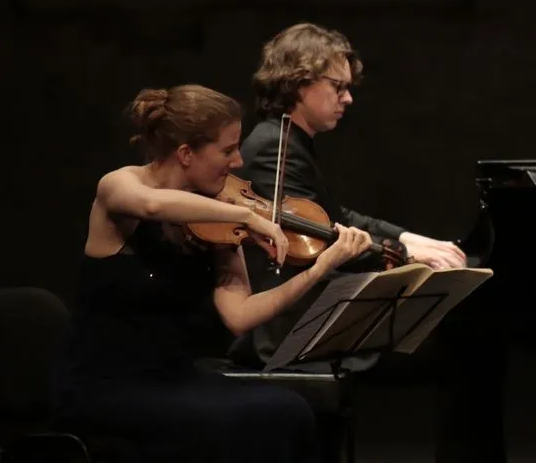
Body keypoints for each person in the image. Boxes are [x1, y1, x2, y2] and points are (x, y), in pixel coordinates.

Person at [226, 22, 508, 463]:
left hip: (311, 308)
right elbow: (321, 239)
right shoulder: (273, 148)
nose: (348, 99)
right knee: (467, 341)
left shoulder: (290, 141)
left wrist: (406, 237)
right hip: (291, 325)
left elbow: (337, 219)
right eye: (337, 87)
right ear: (299, 82)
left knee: (467, 337)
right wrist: (402, 254)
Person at [51, 84, 376, 463]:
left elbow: (240, 316)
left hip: (175, 378)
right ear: (186, 154)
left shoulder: (215, 217)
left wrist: (320, 268)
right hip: (103, 386)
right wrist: (247, 215)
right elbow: (151, 205)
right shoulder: (121, 185)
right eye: (227, 150)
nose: (238, 161)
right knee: (226, 426)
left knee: (290, 411)